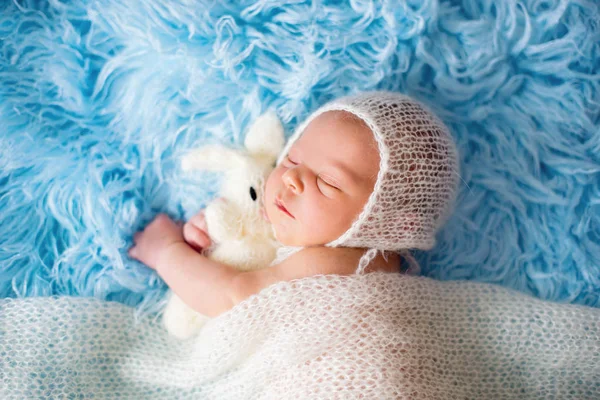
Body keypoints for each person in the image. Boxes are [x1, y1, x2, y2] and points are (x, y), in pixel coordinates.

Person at [127, 91, 460, 318]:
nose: (292, 178)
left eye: (327, 182)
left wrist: (166, 251)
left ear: (390, 225)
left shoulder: (348, 264)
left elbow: (233, 300)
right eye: (291, 158)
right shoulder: (326, 246)